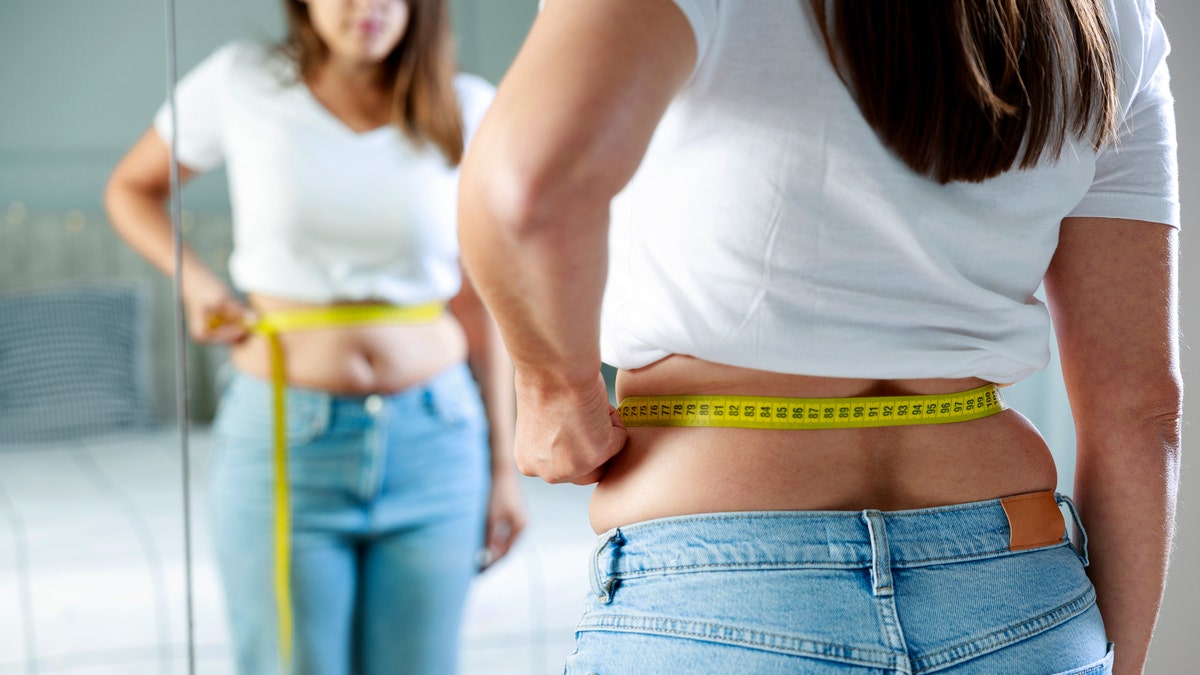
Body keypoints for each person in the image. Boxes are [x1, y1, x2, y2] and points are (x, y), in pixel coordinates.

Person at [459, 0, 1180, 673]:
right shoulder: (1111, 14)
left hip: (721, 607)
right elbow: (1140, 413)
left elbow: (524, 188)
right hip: (1025, 603)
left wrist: (553, 390)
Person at [105, 1, 525, 673]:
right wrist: (198, 285)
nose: (369, 5)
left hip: (439, 441)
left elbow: (482, 301)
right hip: (284, 440)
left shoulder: (469, 107)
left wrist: (504, 465)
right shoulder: (241, 83)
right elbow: (132, 187)